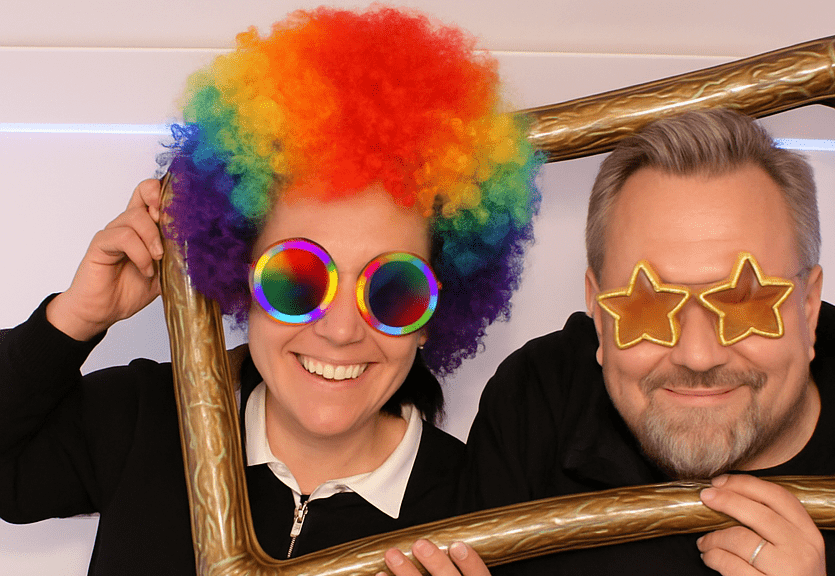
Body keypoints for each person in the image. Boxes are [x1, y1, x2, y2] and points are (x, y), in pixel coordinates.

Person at [0, 6, 539, 575]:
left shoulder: (473, 521)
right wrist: (76, 318)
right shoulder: (149, 420)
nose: (340, 330)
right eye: (299, 279)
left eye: (393, 289)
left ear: (434, 310)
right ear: (241, 274)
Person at [451, 109, 835, 575]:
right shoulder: (535, 405)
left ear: (808, 307)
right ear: (598, 314)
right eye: (649, 306)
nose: (698, 356)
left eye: (746, 303)